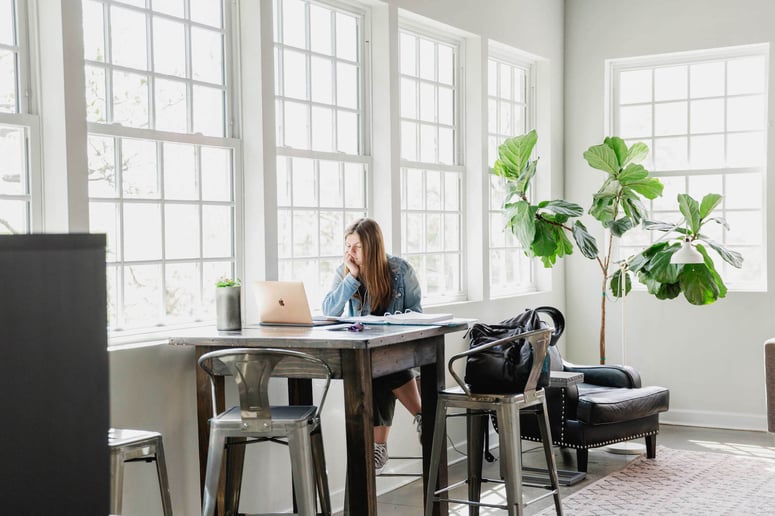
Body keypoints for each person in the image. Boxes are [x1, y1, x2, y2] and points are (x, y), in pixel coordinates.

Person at [321, 217, 423, 475]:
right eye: (347, 246)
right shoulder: (344, 271)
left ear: (372, 246)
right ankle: (422, 416)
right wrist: (352, 278)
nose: (350, 253)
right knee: (373, 363)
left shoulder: (401, 271)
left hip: (402, 352)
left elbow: (418, 315)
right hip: (370, 354)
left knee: (381, 363)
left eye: (356, 247)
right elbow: (329, 311)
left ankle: (380, 445)